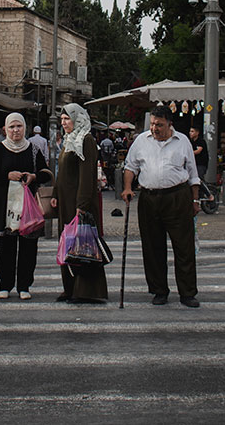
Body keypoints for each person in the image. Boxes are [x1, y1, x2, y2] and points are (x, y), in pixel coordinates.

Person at [121, 106, 201, 308]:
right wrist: (128, 187)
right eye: (153, 124)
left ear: (169, 124)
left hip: (177, 196)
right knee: (152, 246)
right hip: (149, 198)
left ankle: (188, 293)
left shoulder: (182, 141)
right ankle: (159, 290)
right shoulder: (141, 140)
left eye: (160, 125)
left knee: (184, 247)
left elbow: (192, 173)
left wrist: (195, 200)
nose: (155, 128)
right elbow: (131, 166)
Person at [0, 113, 53, 300]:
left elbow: (46, 173)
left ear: (25, 128)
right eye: (12, 127)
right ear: (5, 129)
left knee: (28, 246)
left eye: (19, 126)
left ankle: (24, 285)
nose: (15, 130)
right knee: (6, 246)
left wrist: (33, 177)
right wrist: (7, 176)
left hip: (28, 206)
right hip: (5, 206)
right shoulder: (0, 149)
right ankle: (5, 284)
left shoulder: (32, 149)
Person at [52, 103, 108, 303]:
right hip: (66, 203)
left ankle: (85, 290)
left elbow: (87, 175)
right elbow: (62, 173)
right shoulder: (69, 140)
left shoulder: (86, 140)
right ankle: (70, 288)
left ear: (78, 118)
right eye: (62, 119)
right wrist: (56, 194)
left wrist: (82, 204)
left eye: (68, 118)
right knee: (68, 245)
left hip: (79, 203)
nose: (64, 122)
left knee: (83, 246)